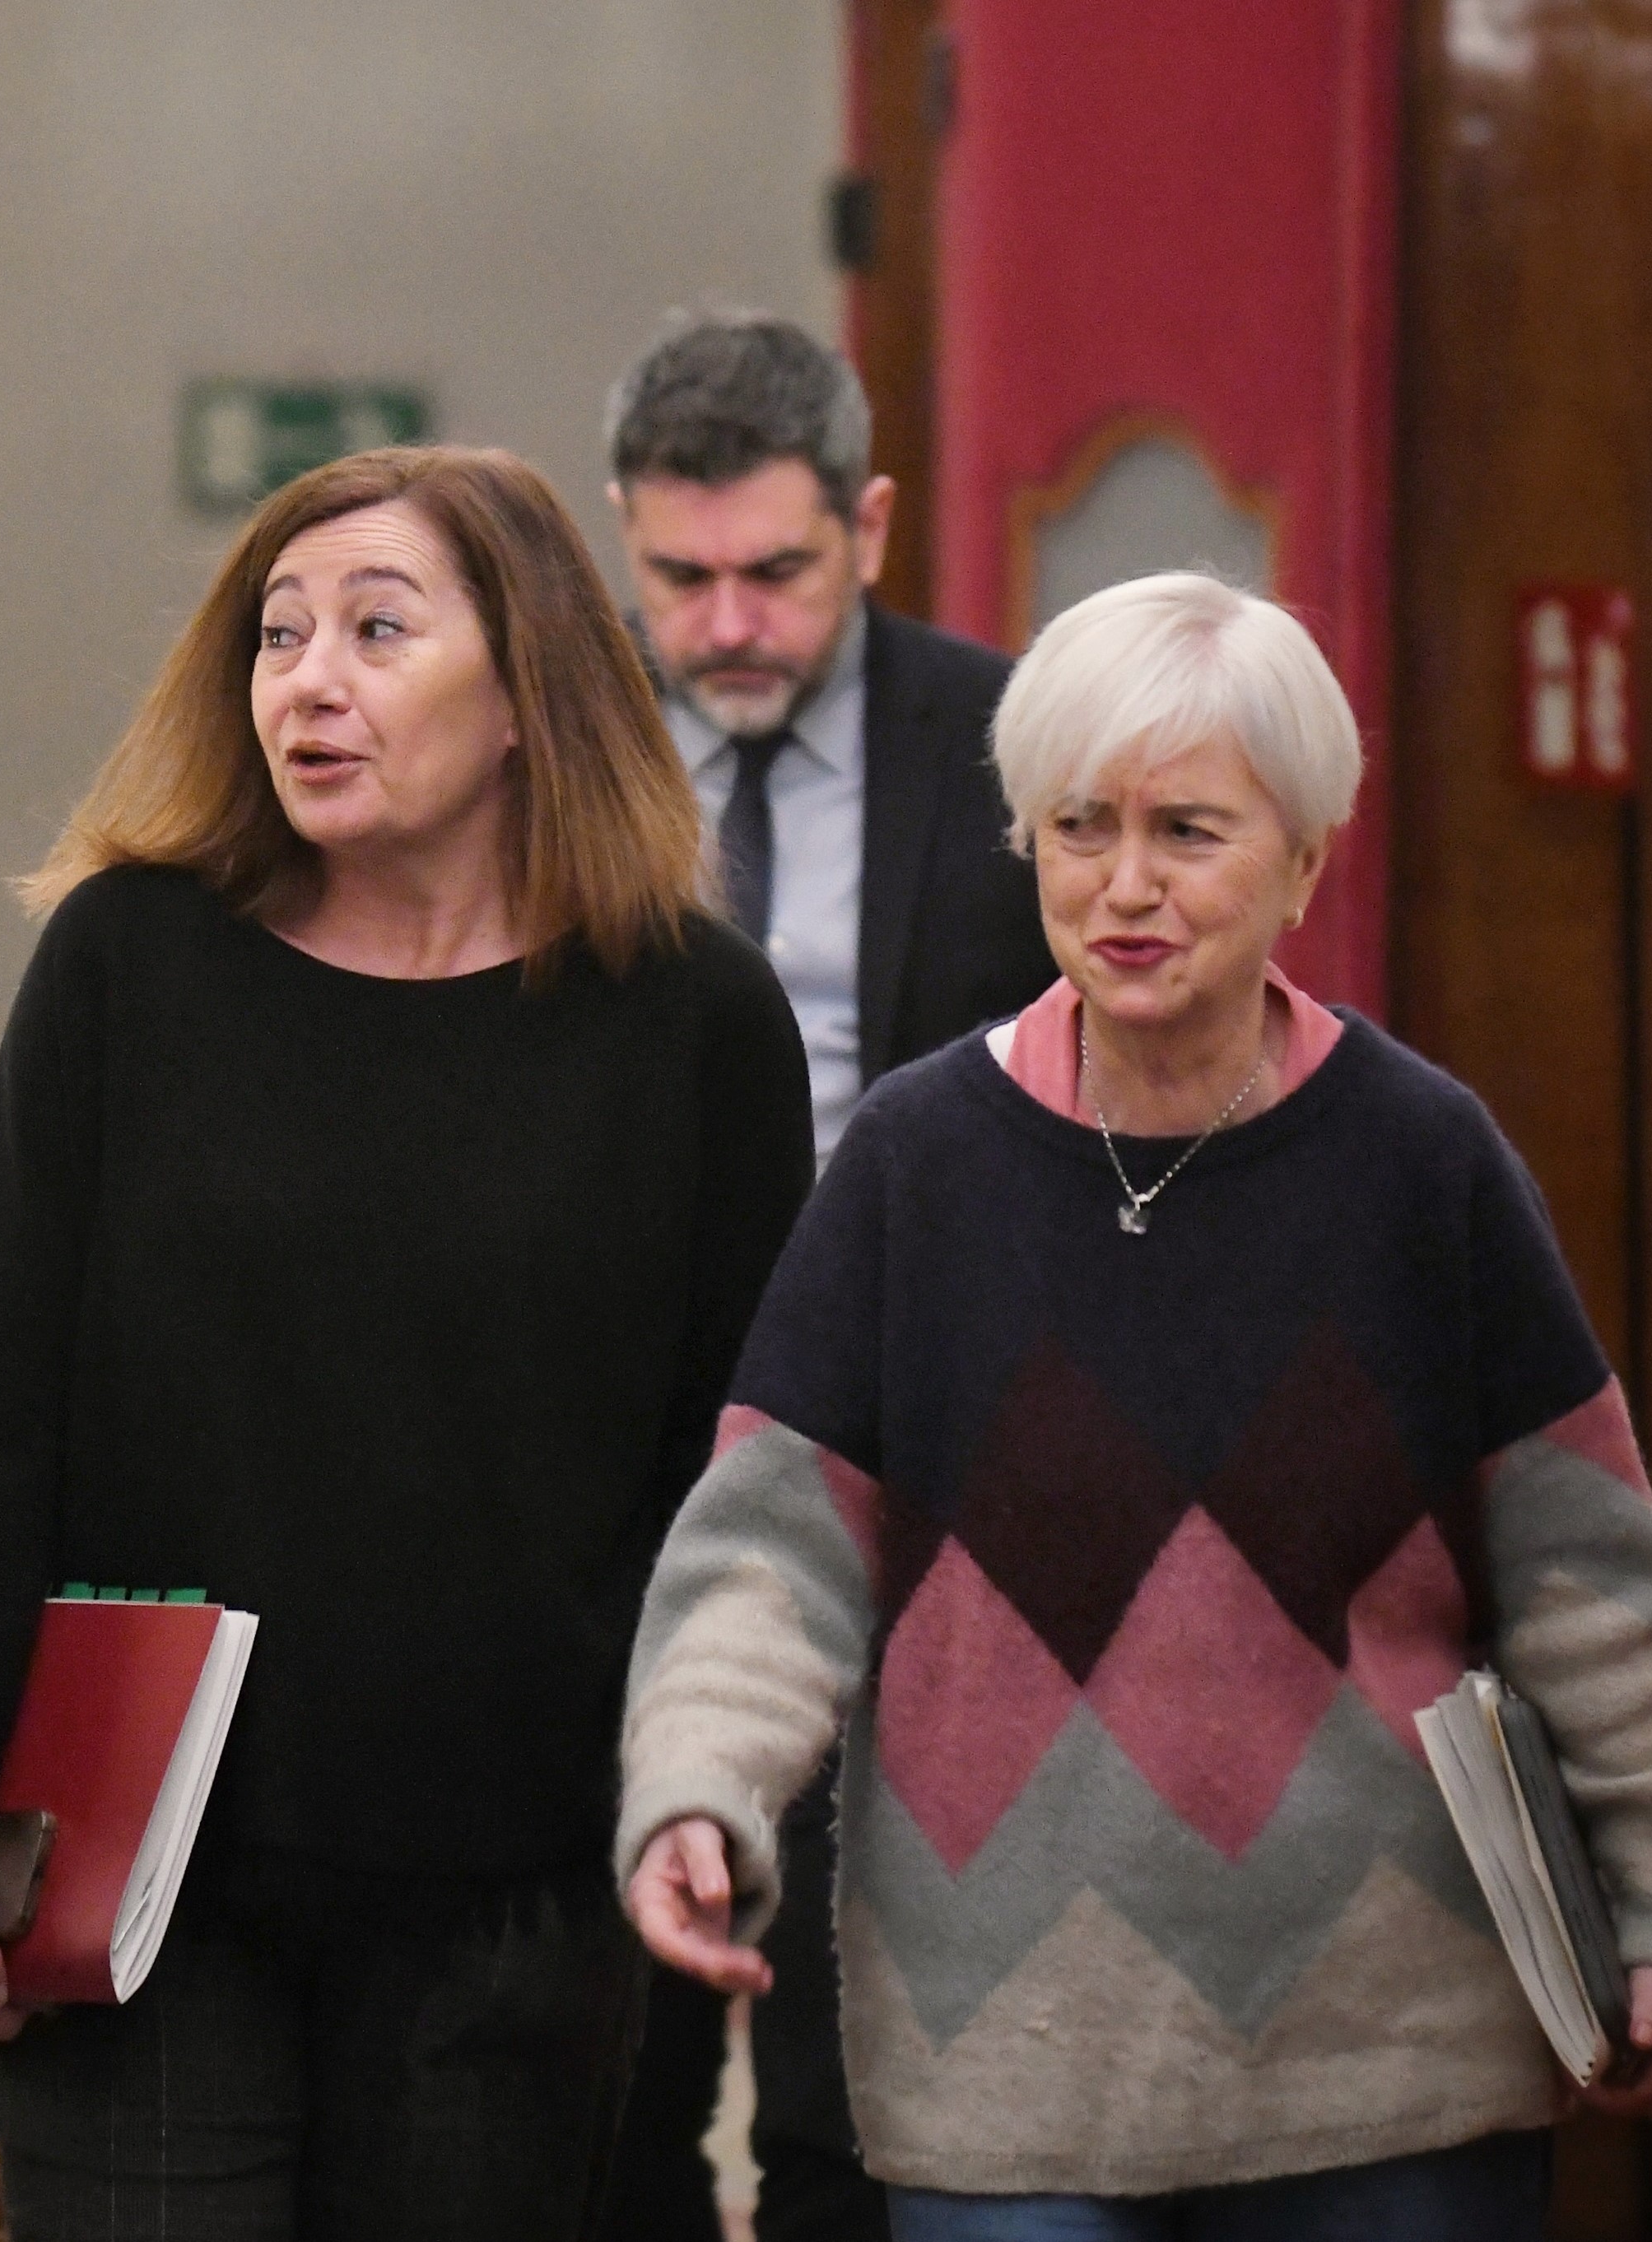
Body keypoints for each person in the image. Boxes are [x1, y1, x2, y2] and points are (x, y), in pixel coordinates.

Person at [613, 573, 1652, 2241]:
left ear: (1303, 857)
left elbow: (1587, 1584)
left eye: (1188, 831)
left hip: (1389, 2067)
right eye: (1078, 827)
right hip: (1006, 2069)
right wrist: (696, 1789)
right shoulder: (913, 1171)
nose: (1124, 885)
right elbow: (766, 1564)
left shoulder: (1420, 1166)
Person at [0, 445, 817, 2241]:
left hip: (512, 1882)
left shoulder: (690, 1021)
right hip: (142, 1853)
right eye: (278, 636)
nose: (309, 680)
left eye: (374, 628)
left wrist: (693, 1781)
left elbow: (730, 1483)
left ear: (527, 695)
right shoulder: (132, 963)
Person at [598, 310, 1040, 2242]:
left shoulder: (1010, 743)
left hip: (923, 1444)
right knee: (606, 2063)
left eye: (775, 573)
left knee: (854, 2081)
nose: (727, 627)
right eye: (680, 579)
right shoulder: (555, 742)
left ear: (866, 524)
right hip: (618, 1427)